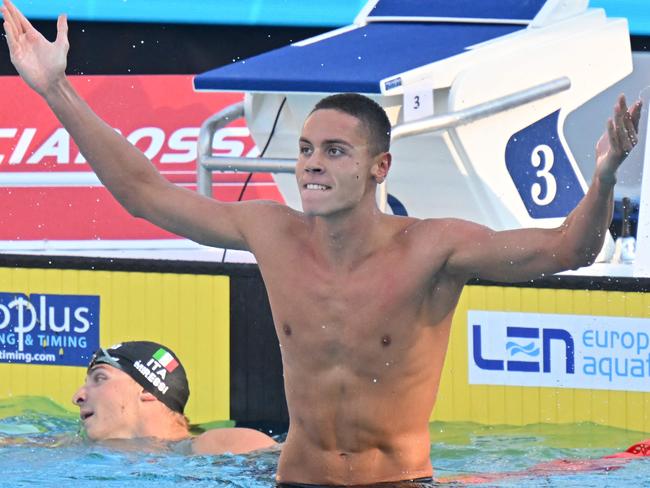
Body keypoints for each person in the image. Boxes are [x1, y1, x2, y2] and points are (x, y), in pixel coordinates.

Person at [1, 1, 642, 485]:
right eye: (306, 150)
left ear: (378, 168)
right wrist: (56, 89)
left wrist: (606, 174)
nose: (312, 164)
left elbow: (568, 250)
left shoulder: (433, 250)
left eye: (335, 152)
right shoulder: (270, 231)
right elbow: (144, 193)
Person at [74, 340, 277, 454]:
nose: (77, 397)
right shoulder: (76, 447)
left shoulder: (213, 446)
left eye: (100, 378)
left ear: (147, 390)